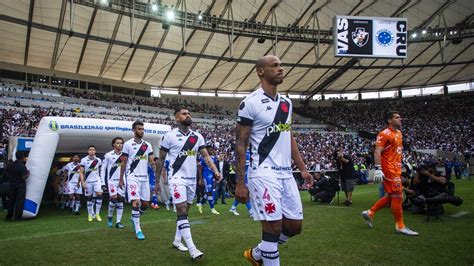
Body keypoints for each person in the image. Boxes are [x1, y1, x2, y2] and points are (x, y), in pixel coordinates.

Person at [235, 55, 313, 266]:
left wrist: (303, 168)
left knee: (295, 227)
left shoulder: (286, 103)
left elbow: (288, 137)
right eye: (275, 66)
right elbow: (240, 143)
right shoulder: (249, 103)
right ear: (260, 71)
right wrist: (240, 182)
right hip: (263, 172)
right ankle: (265, 254)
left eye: (281, 65)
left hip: (286, 173)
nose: (281, 68)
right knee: (273, 228)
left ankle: (258, 254)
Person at [155, 107, 221, 260]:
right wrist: (158, 181)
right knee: (181, 210)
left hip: (191, 180)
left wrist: (216, 171)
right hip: (176, 178)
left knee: (185, 213)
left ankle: (177, 241)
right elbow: (161, 160)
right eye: (184, 114)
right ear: (177, 118)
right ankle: (193, 249)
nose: (188, 115)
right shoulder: (169, 136)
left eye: (189, 113)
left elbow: (206, 157)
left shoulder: (197, 137)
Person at [361, 111, 419, 236]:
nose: (400, 119)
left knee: (392, 196)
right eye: (397, 117)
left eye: (399, 117)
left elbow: (396, 152)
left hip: (396, 168)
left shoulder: (399, 133)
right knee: (398, 195)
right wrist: (378, 169)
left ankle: (370, 212)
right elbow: (377, 152)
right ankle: (400, 226)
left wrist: (404, 162)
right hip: (388, 169)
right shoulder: (384, 134)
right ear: (389, 120)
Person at [119, 121, 156, 240]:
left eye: (143, 129)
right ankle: (138, 230)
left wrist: (157, 174)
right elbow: (124, 162)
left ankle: (135, 217)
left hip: (144, 178)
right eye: (139, 129)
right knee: (136, 202)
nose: (142, 131)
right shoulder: (128, 144)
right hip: (132, 177)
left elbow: (151, 162)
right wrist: (121, 179)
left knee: (145, 204)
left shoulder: (147, 145)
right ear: (134, 130)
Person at [101, 137, 125, 229]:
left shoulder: (124, 155)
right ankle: (110, 217)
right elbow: (103, 169)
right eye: (118, 143)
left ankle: (118, 222)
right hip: (112, 181)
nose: (120, 144)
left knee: (120, 200)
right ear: (113, 144)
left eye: (121, 143)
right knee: (113, 200)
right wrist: (103, 182)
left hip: (122, 181)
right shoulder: (108, 155)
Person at [79, 145, 104, 222]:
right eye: (90, 150)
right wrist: (82, 182)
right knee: (89, 198)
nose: (92, 151)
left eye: (93, 150)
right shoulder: (83, 160)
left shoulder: (98, 160)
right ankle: (90, 214)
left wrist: (102, 181)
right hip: (88, 182)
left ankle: (97, 214)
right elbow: (81, 172)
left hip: (97, 181)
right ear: (88, 151)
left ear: (95, 151)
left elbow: (100, 171)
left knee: (99, 195)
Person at [196, 145, 221, 214]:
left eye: (212, 150)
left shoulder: (214, 158)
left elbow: (215, 168)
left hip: (212, 177)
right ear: (206, 151)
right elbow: (200, 169)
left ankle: (200, 204)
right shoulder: (202, 158)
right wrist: (200, 179)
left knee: (209, 192)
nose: (211, 151)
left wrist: (217, 176)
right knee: (209, 192)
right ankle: (212, 208)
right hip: (206, 177)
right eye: (210, 150)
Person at [5, 151, 29, 221]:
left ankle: (9, 216)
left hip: (12, 184)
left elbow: (7, 174)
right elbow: (24, 177)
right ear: (23, 157)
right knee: (19, 201)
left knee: (11, 200)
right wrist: (28, 173)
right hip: (20, 185)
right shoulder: (22, 166)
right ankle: (17, 217)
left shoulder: (10, 165)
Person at [229, 150, 253, 217]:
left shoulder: (250, 152)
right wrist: (239, 174)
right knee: (246, 193)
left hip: (249, 176)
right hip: (243, 177)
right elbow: (233, 165)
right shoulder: (239, 152)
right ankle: (251, 212)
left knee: (244, 194)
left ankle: (233, 207)